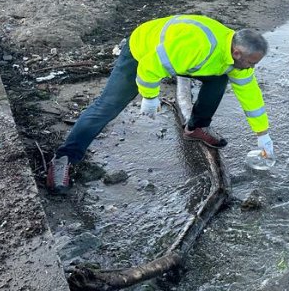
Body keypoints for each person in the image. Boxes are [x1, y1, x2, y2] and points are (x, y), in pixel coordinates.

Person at [46, 14, 275, 194]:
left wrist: (262, 134)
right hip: (143, 50)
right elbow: (149, 66)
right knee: (108, 106)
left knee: (219, 80)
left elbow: (250, 97)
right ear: (237, 52)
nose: (251, 68)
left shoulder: (235, 60)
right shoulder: (197, 46)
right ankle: (64, 158)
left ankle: (195, 127)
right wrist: (149, 97)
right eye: (250, 63)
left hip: (187, 61)